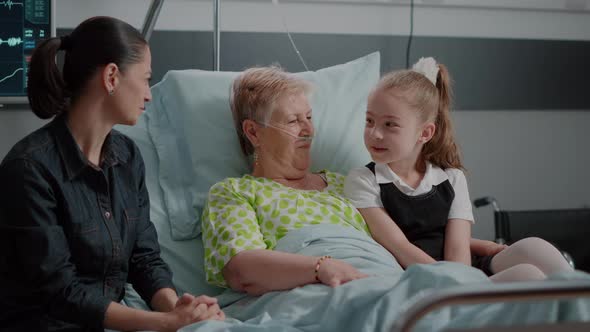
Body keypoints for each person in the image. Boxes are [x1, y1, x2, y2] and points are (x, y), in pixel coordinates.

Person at [201, 66, 509, 295]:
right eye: (294, 121)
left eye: (309, 117)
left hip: (390, 283)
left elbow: (403, 235)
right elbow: (242, 269)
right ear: (254, 132)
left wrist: (475, 245)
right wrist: (320, 268)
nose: (309, 130)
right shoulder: (234, 193)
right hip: (320, 290)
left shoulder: (343, 183)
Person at [0, 16, 223, 331]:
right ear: (112, 77)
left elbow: (144, 259)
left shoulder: (127, 157)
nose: (149, 94)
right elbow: (61, 293)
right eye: (145, 79)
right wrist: (164, 322)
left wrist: (180, 311)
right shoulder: (29, 169)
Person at [344, 57, 574, 282]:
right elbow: (400, 246)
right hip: (426, 277)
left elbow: (457, 250)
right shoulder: (364, 180)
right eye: (369, 121)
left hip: (464, 271)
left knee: (534, 247)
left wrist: (467, 274)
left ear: (424, 133)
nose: (375, 134)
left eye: (390, 124)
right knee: (527, 275)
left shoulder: (451, 178)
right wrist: (456, 285)